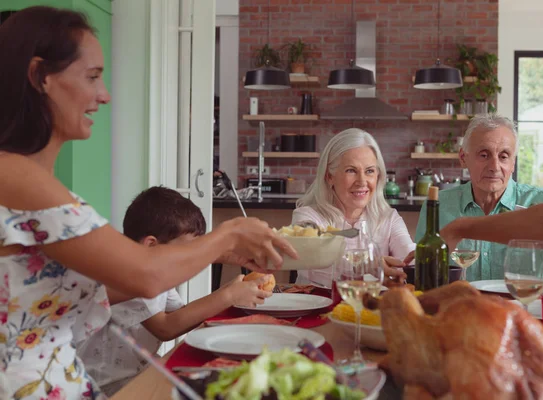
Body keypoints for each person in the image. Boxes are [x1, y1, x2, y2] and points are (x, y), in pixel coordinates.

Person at [0, 7, 296, 400]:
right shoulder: (18, 177)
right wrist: (229, 235)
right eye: (92, 77)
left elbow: (107, 285)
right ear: (41, 77)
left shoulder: (30, 182)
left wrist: (216, 255)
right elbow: (144, 275)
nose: (104, 95)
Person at [78, 187, 273, 396]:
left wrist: (230, 290)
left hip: (139, 372)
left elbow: (182, 314)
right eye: (187, 250)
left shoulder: (162, 274)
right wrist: (228, 296)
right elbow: (166, 327)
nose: (191, 259)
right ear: (151, 245)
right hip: (108, 385)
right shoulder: (128, 275)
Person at [414, 113, 543, 281]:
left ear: (513, 163)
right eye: (484, 155)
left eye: (504, 156)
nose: (494, 166)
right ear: (463, 157)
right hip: (461, 312)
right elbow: (424, 274)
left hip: (528, 312)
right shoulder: (439, 206)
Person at [292, 128, 414, 287]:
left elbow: (409, 256)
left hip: (371, 309)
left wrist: (423, 258)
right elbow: (312, 262)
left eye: (369, 171)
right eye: (351, 170)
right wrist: (366, 267)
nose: (362, 181)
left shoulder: (389, 218)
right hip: (315, 307)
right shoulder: (307, 217)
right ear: (329, 176)